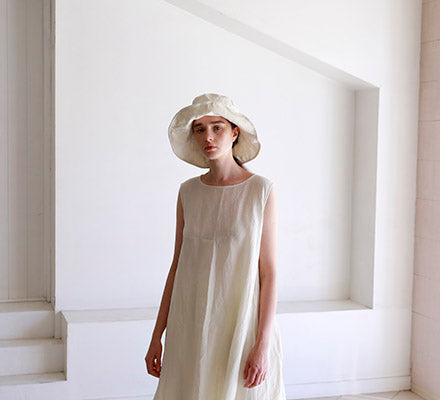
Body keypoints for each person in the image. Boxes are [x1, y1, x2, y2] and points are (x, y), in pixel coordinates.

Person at [145, 93, 286, 399]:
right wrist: (157, 336)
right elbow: (176, 266)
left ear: (235, 132)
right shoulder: (188, 192)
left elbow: (269, 273)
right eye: (199, 129)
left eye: (217, 127)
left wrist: (262, 344)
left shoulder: (260, 191)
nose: (207, 136)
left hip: (240, 323)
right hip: (191, 321)